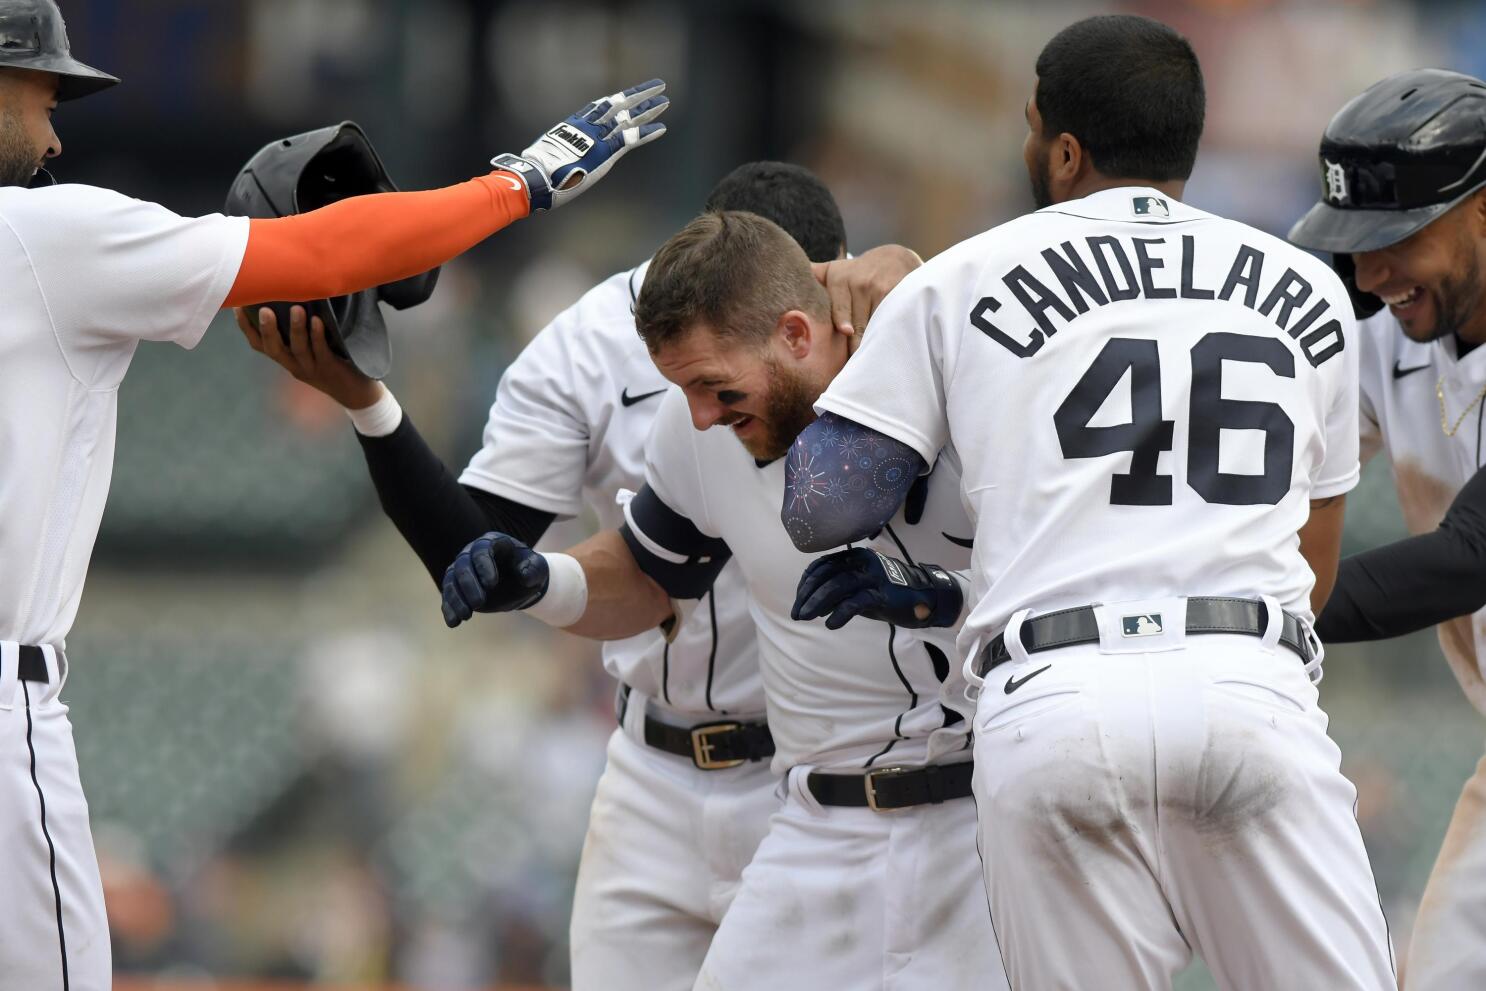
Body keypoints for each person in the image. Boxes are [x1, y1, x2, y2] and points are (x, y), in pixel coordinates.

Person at [0, 1, 668, 985]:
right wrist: (516, 183)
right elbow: (321, 254)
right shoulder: (35, 236)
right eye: (41, 93)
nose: (55, 130)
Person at [785, 14, 1396, 989]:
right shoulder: (1306, 288)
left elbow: (822, 507)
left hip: (1054, 702)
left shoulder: (957, 279)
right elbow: (1310, 566)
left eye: (1034, 130)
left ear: (1062, 148)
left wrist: (859, 344)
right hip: (1247, 685)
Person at [238, 161, 885, 991]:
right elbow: (484, 557)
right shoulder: (596, 346)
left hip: (824, 776)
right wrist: (368, 402)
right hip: (656, 767)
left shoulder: (876, 323)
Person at [438, 210, 1007, 991]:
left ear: (799, 335)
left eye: (714, 384)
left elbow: (1067, 583)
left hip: (977, 823)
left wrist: (935, 597)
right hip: (814, 828)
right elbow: (647, 574)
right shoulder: (698, 428)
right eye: (684, 388)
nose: (702, 412)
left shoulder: (959, 371)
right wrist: (544, 579)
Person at [1290, 67, 1486, 991]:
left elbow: (1468, 557)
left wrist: (1255, 613)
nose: (1368, 276)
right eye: (1353, 247)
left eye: (1396, 238)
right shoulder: (1389, 334)